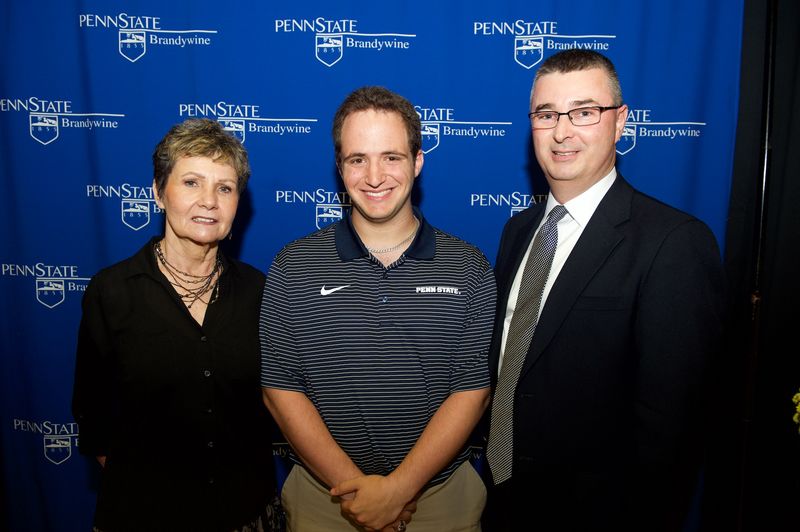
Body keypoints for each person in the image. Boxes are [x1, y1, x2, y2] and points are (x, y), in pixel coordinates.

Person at [482, 50, 726, 531]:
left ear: (620, 123)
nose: (562, 131)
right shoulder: (518, 231)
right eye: (546, 114)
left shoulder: (673, 243)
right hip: (505, 500)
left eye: (585, 112)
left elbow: (672, 426)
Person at [260, 86, 496, 531]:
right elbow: (280, 389)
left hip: (441, 499)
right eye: (357, 159)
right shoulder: (294, 265)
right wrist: (359, 494)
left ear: (417, 161)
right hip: (325, 501)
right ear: (339, 166)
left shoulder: (468, 266)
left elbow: (472, 390)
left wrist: (398, 490)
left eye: (391, 157)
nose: (374, 176)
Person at [72, 118, 277, 532]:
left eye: (225, 187)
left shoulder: (260, 291)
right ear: (158, 192)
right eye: (191, 183)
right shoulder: (112, 292)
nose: (209, 201)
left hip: (245, 512)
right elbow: (94, 416)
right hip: (143, 514)